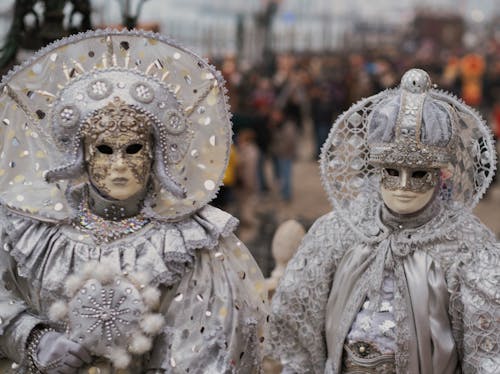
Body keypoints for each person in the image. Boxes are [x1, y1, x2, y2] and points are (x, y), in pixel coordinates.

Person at [0, 30, 267, 373]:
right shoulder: (33, 229)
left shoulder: (190, 244)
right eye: (105, 150)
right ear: (80, 154)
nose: (120, 165)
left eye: (134, 149)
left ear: (155, 154)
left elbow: (206, 348)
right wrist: (30, 337)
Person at [269, 69, 499, 373]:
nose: (403, 186)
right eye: (391, 172)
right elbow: (300, 316)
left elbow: (486, 348)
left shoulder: (467, 245)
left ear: (440, 176)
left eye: (418, 174)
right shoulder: (341, 229)